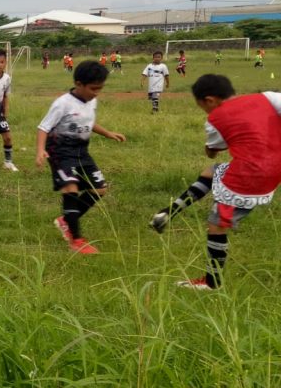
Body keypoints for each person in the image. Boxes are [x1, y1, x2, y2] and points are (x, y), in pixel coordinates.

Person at [148, 74, 281, 289]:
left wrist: (210, 147)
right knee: (211, 172)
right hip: (275, 167)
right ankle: (168, 212)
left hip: (248, 176)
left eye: (202, 106)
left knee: (216, 225)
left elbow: (213, 151)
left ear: (209, 100)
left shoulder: (215, 119)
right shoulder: (267, 98)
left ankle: (211, 283)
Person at [36, 61, 126, 255]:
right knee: (71, 187)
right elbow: (43, 127)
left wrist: (108, 133)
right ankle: (76, 240)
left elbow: (89, 122)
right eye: (93, 88)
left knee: (99, 189)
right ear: (78, 84)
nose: (96, 93)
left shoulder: (92, 101)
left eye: (100, 88)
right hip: (60, 151)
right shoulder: (62, 103)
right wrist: (40, 150)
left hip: (81, 152)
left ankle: (66, 220)